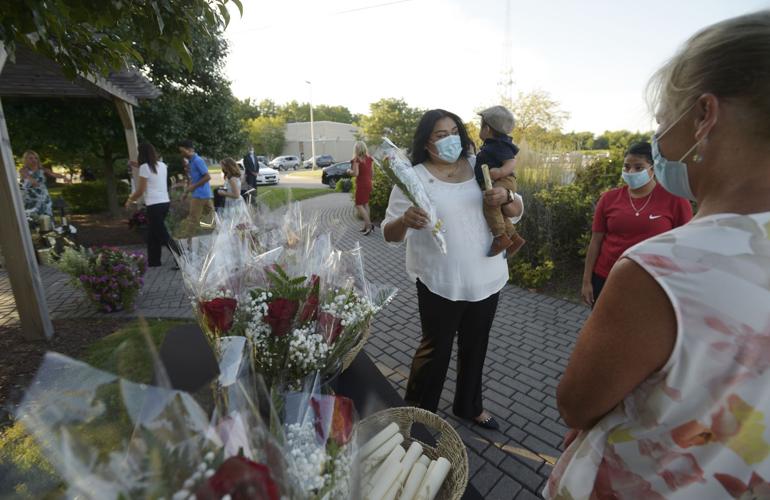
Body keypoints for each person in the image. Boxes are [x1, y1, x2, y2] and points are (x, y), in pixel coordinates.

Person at [547, 11, 770, 499]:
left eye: (662, 121)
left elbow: (576, 404)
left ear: (704, 116)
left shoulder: (663, 269)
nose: (656, 141)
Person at [383, 109, 523, 430]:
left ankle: (468, 405)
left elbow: (515, 211)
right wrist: (405, 222)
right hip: (438, 282)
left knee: (476, 346)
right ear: (426, 142)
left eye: (454, 131)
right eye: (440, 135)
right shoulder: (413, 177)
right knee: (436, 352)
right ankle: (420, 416)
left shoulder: (480, 166)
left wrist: (508, 195)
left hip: (487, 277)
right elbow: (388, 234)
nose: (450, 139)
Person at [581, 141, 693, 306]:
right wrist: (586, 281)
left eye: (638, 167)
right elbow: (596, 241)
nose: (631, 172)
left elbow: (684, 249)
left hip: (652, 283)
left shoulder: (675, 201)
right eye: (626, 167)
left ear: (653, 169)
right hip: (606, 278)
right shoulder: (608, 198)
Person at [476, 105, 526, 257]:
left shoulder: (498, 144)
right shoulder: (492, 145)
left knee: (490, 203)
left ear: (488, 129)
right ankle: (514, 238)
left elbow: (511, 162)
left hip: (504, 180)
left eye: (481, 126)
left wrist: (500, 172)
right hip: (500, 181)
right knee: (498, 212)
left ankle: (499, 237)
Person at [124, 142, 178, 268]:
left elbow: (141, 190)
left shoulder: (145, 168)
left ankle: (181, 257)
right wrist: (134, 164)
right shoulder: (162, 165)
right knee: (153, 233)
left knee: (162, 234)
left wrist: (129, 200)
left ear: (141, 154)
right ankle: (154, 261)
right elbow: (151, 170)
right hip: (164, 203)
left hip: (154, 205)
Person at [178, 139, 213, 236]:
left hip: (200, 195)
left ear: (189, 149)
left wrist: (193, 187)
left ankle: (188, 246)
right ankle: (209, 239)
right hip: (203, 194)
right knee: (208, 220)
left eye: (182, 151)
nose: (181, 154)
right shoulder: (191, 162)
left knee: (193, 221)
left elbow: (207, 176)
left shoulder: (198, 161)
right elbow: (194, 179)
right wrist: (186, 192)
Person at [347, 141, 374, 234]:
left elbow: (356, 173)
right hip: (369, 183)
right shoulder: (370, 159)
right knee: (366, 204)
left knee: (358, 205)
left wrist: (349, 171)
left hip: (362, 184)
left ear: (356, 149)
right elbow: (372, 173)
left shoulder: (356, 159)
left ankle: (369, 225)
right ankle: (366, 226)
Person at [19, 150, 52, 216]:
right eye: (31, 158)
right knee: (32, 219)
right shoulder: (23, 170)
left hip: (44, 197)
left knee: (46, 218)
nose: (34, 160)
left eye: (35, 158)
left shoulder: (41, 169)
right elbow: (29, 182)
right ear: (26, 160)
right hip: (31, 199)